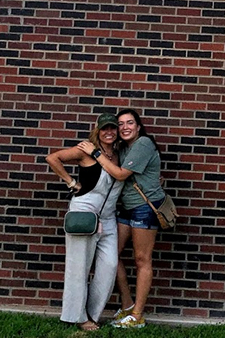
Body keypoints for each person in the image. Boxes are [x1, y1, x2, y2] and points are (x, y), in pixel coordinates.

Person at [82, 108, 165, 329]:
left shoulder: (143, 144)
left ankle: (137, 316)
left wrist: (95, 153)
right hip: (127, 208)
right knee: (112, 255)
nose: (125, 127)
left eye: (130, 123)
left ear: (138, 127)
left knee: (142, 260)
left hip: (145, 208)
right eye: (121, 124)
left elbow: (119, 174)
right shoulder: (122, 148)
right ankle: (127, 306)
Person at [46, 113, 124, 331]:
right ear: (97, 129)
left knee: (109, 266)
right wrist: (71, 183)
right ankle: (78, 316)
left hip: (108, 216)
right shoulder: (84, 149)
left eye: (113, 128)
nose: (109, 132)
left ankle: (93, 313)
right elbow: (53, 158)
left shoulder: (118, 154)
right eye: (105, 128)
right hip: (84, 212)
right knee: (78, 267)